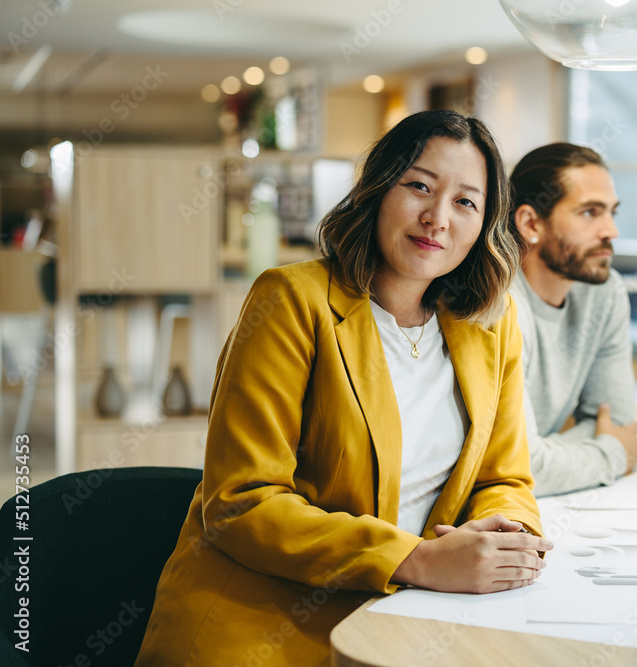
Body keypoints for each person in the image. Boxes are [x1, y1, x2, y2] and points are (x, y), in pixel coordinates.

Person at [137, 110, 552, 665]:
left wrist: (508, 543)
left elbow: (504, 476)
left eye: (465, 202)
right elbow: (242, 503)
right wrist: (418, 560)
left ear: (484, 224)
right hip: (260, 626)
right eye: (419, 186)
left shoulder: (492, 322)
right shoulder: (291, 300)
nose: (437, 218)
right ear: (379, 190)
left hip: (402, 619)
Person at [508, 143, 637, 496]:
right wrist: (611, 452)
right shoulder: (500, 305)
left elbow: (617, 421)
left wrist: (553, 457)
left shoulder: (604, 291)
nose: (610, 230)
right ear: (530, 223)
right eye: (590, 213)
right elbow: (518, 467)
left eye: (612, 212)